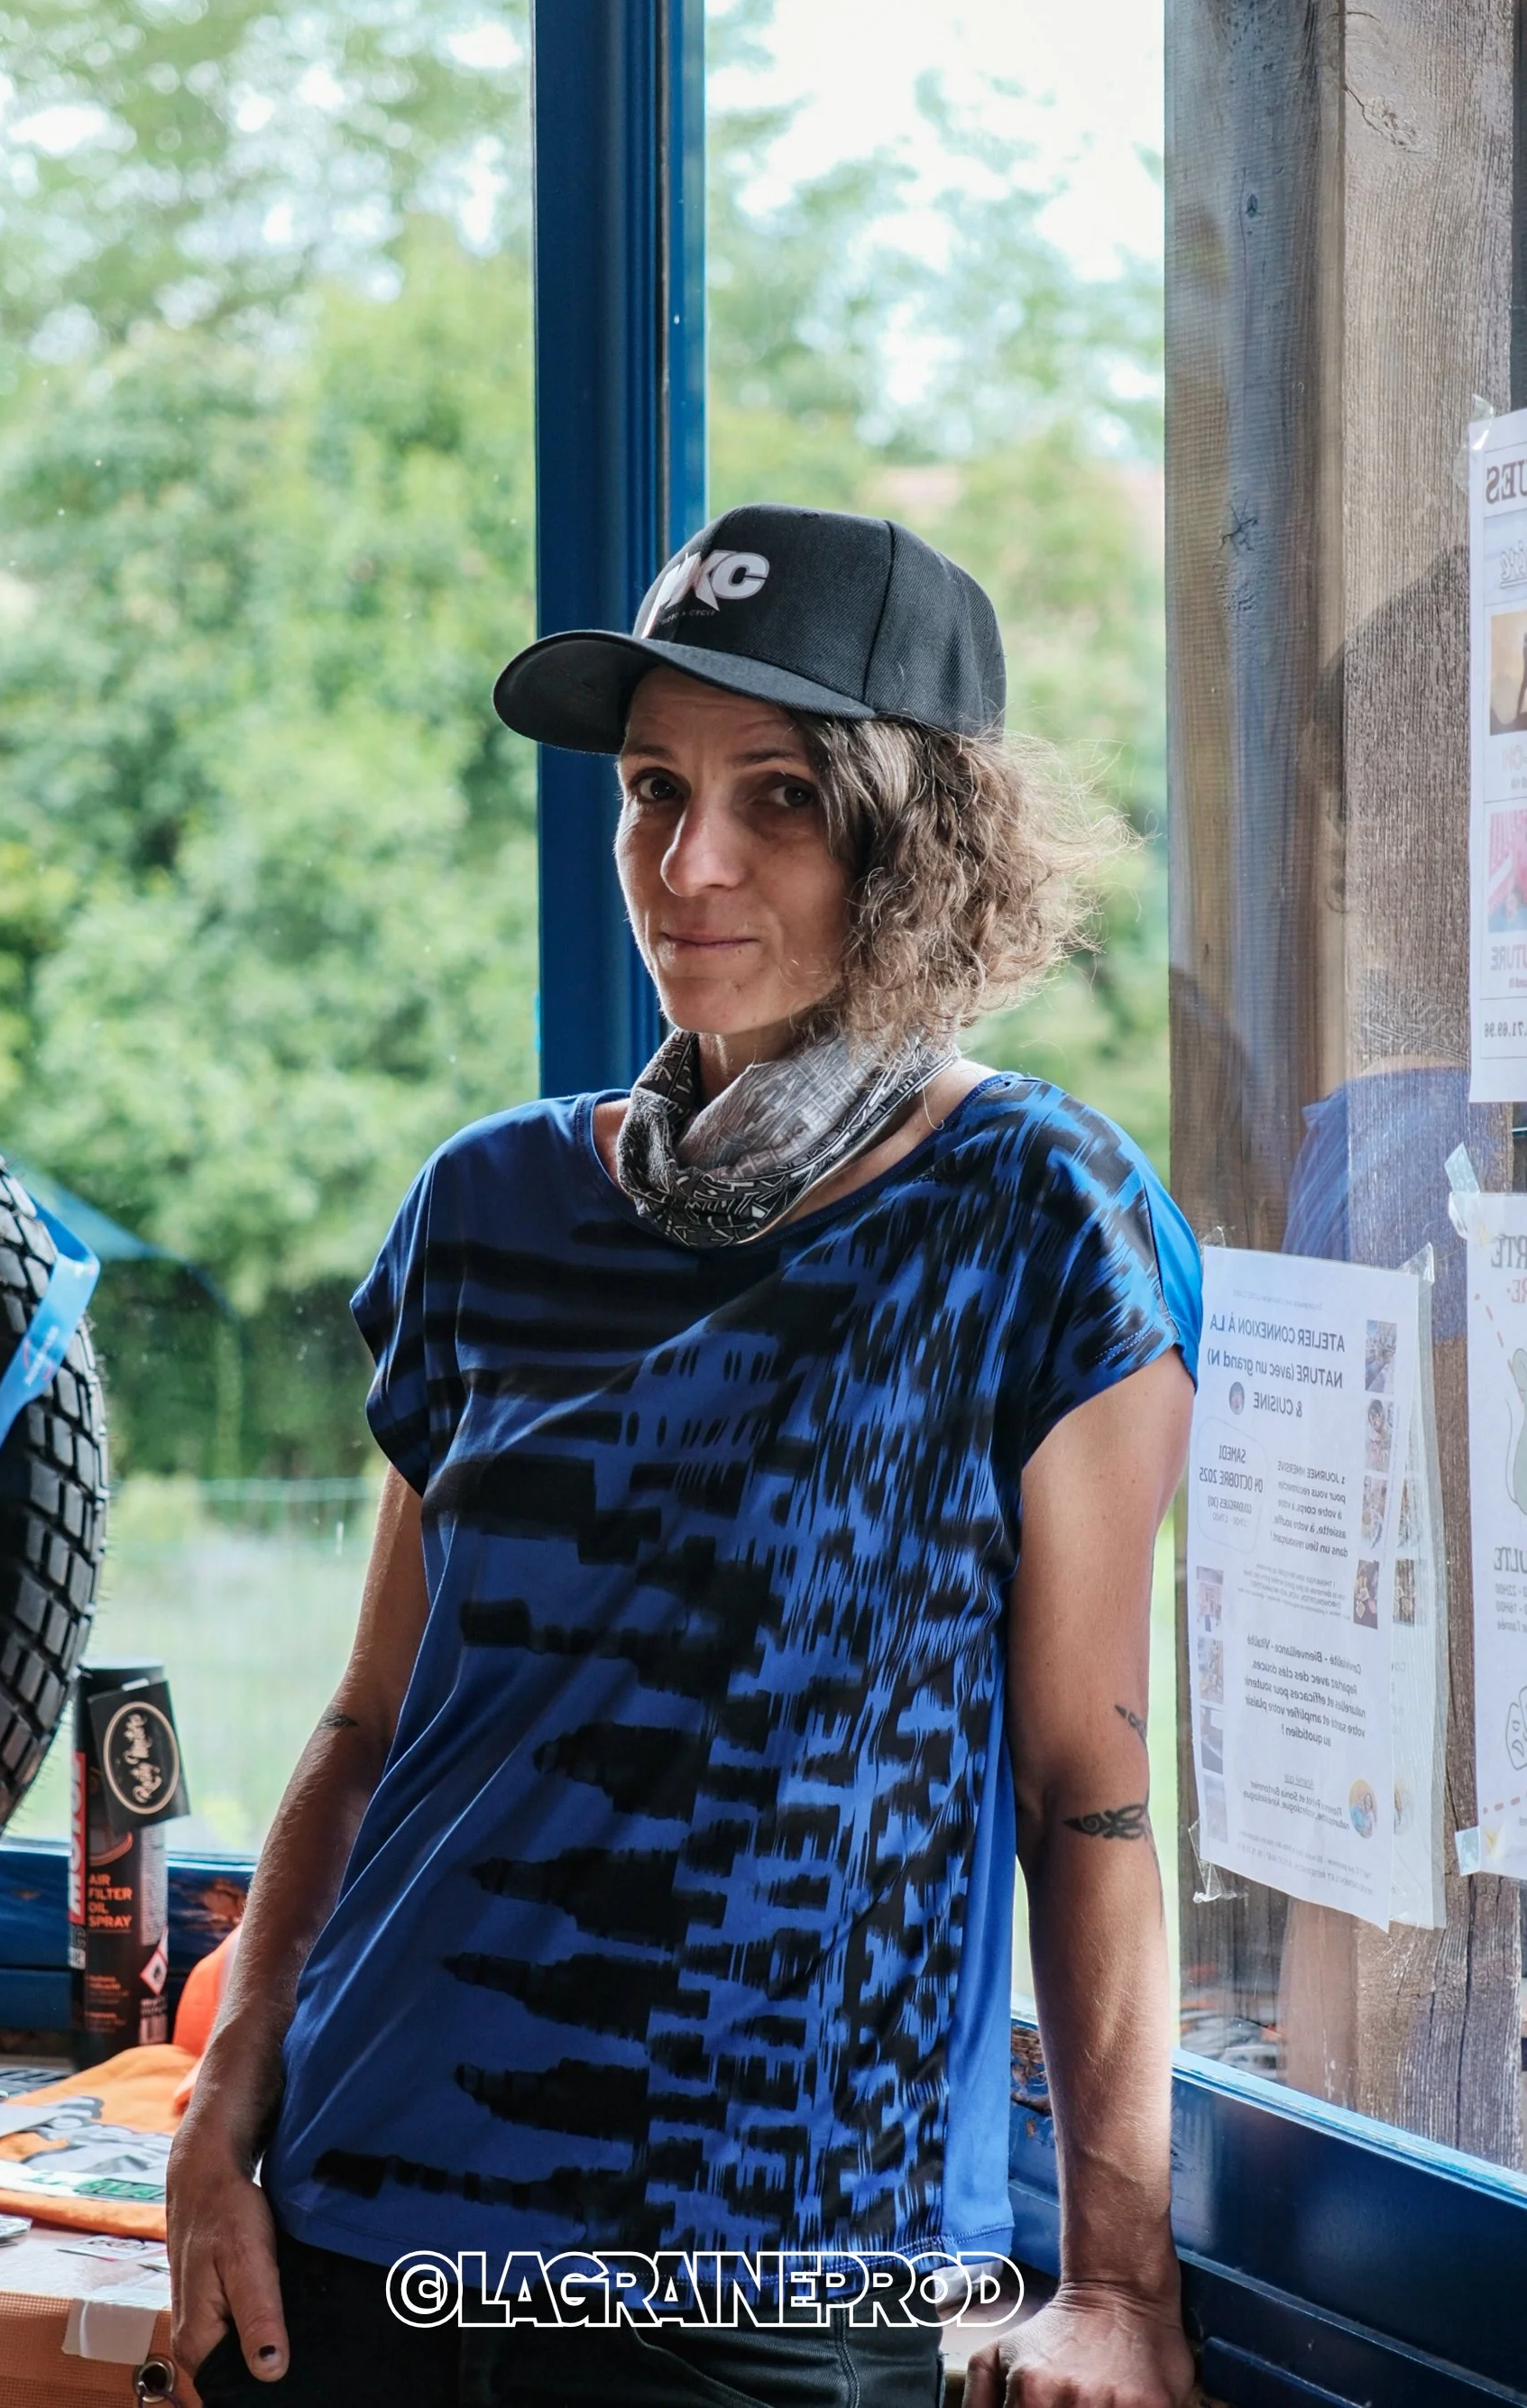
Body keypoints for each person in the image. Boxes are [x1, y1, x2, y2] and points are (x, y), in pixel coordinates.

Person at [169, 502, 1201, 2408]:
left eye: (776, 797)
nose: (687, 861)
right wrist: (220, 2108)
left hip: (767, 2273)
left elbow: (1085, 1787)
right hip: (354, 2243)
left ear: (916, 844)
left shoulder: (1037, 1213)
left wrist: (1116, 2283)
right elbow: (371, 1722)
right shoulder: (485, 1203)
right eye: (652, 789)